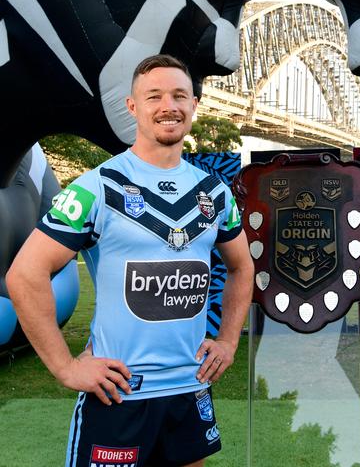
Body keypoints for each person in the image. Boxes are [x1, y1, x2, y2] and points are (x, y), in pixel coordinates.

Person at [7, 54, 254, 467]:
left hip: (189, 389)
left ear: (194, 104)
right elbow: (25, 274)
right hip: (120, 392)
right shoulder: (98, 187)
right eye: (153, 96)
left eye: (179, 95)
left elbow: (242, 266)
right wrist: (66, 369)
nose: (168, 106)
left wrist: (228, 341)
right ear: (133, 107)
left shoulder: (215, 193)